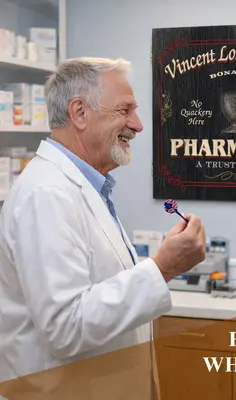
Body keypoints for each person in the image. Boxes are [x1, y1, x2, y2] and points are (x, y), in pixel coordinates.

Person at [0, 57, 206, 398]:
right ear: (79, 113)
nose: (138, 125)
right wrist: (162, 267)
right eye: (125, 110)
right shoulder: (47, 194)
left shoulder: (84, 188)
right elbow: (66, 328)